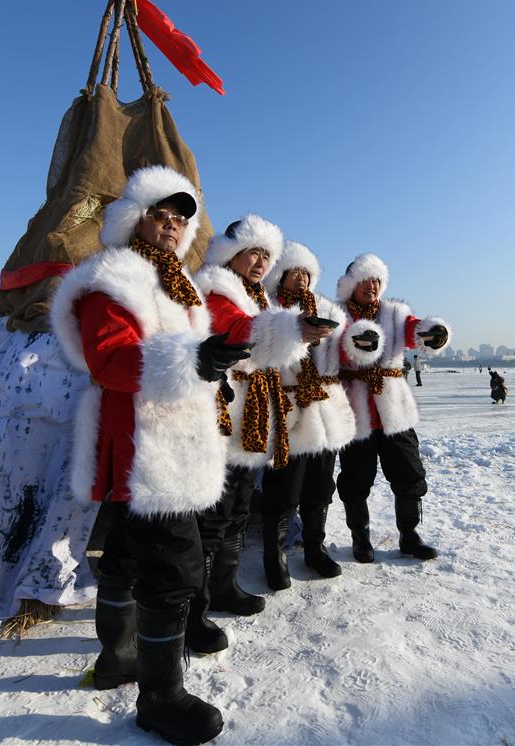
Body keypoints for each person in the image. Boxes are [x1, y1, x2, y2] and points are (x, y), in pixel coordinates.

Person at [51, 166, 250, 746]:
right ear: (135, 221)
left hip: (174, 438)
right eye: (160, 215)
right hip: (146, 446)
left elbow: (196, 351)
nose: (172, 226)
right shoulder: (113, 278)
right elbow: (110, 359)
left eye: (181, 219)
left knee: (125, 554)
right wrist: (191, 360)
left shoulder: (178, 284)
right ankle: (160, 698)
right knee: (173, 567)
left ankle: (117, 658)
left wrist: (213, 361)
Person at [194, 217, 327, 622]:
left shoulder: (258, 297)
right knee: (215, 511)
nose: (260, 262)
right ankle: (197, 602)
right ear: (232, 253)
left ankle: (224, 586)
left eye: (267, 256)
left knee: (237, 506)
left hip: (253, 411)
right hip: (226, 411)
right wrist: (289, 327)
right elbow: (235, 329)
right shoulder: (217, 288)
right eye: (254, 252)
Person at [260, 241, 367, 589]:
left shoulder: (328, 309)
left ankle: (314, 548)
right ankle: (274, 556)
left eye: (306, 273)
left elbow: (347, 350)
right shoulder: (268, 309)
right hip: (288, 407)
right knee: (283, 489)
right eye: (294, 273)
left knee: (320, 486)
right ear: (281, 276)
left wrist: (362, 344)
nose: (301, 279)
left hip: (325, 407)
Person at [335, 253, 450, 563]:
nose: (371, 286)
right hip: (356, 409)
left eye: (376, 280)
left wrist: (432, 333)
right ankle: (360, 537)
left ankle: (409, 535)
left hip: (394, 409)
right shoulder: (338, 314)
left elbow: (414, 330)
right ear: (350, 285)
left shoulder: (395, 313)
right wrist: (355, 347)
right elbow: (332, 351)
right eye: (364, 280)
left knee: (409, 472)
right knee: (356, 478)